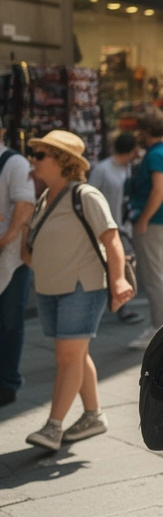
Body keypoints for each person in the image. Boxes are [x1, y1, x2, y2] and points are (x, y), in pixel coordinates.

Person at [20, 131, 135, 449]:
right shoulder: (44, 199)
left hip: (82, 286)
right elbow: (30, 252)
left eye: (40, 155)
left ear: (62, 161)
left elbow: (111, 239)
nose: (33, 160)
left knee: (67, 356)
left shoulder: (85, 195)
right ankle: (94, 416)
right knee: (76, 354)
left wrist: (118, 280)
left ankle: (53, 427)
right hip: (50, 287)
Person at [127, 108, 163, 349]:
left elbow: (159, 190)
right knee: (159, 276)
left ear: (148, 130)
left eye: (141, 129)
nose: (138, 134)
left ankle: (159, 331)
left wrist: (143, 219)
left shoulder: (155, 156)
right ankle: (162, 328)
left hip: (155, 222)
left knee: (154, 279)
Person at [87, 132, 143, 324]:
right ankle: (116, 304)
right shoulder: (103, 169)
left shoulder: (130, 169)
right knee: (109, 263)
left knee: (125, 262)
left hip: (123, 224)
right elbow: (90, 194)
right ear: (129, 150)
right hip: (105, 224)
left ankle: (122, 304)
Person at [0, 129, 36, 407]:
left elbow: (25, 206)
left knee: (9, 321)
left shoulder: (14, 162)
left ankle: (7, 382)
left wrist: (5, 240)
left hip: (10, 259)